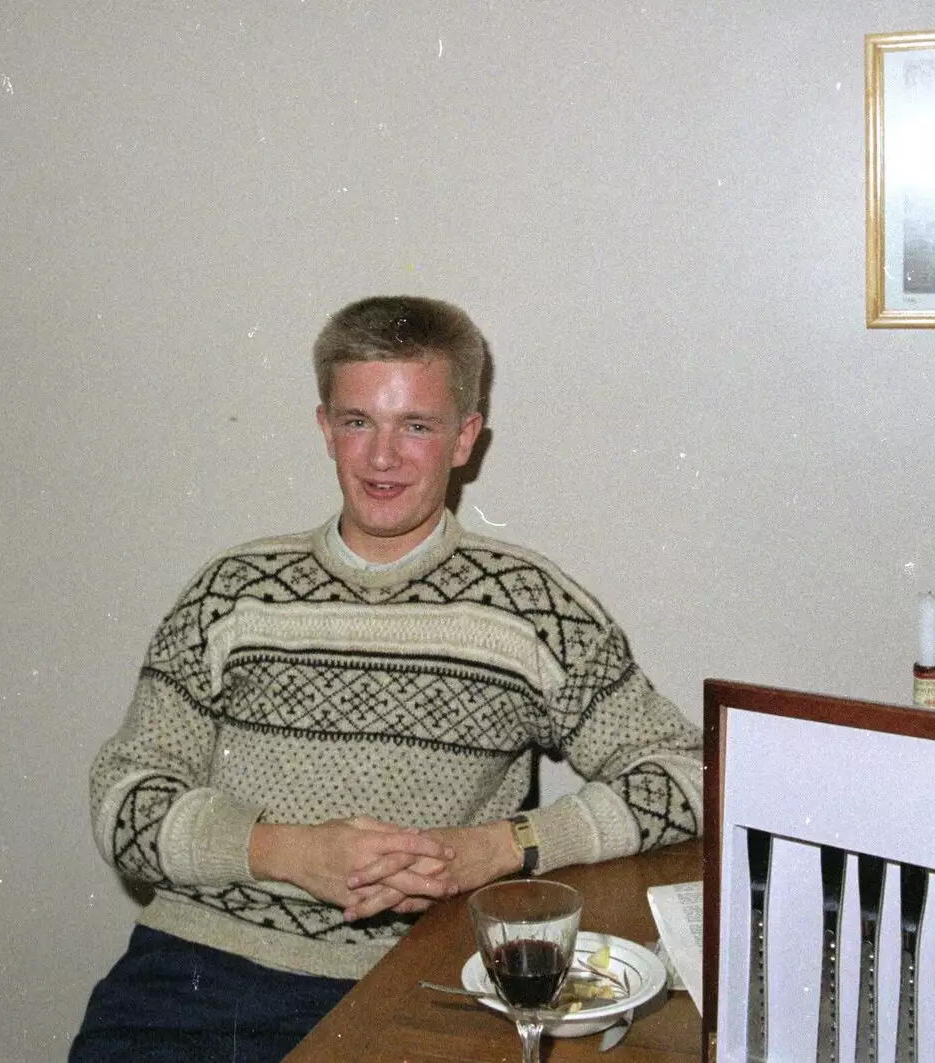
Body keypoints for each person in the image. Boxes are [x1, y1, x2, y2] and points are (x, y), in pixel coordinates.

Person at [70, 295, 704, 1062]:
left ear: (464, 438)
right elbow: (123, 796)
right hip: (195, 977)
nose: (381, 458)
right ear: (324, 427)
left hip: (422, 980)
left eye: (416, 426)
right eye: (358, 421)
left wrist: (502, 846)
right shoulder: (231, 594)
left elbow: (690, 770)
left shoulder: (533, 609)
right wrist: (288, 852)